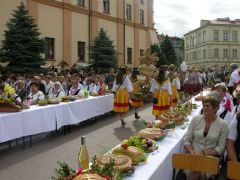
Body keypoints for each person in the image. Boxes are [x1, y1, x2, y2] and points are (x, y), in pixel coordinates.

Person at [183, 95, 228, 179]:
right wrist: (192, 151)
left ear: (215, 108)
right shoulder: (196, 120)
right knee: (195, 171)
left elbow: (221, 148)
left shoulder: (223, 124)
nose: (204, 108)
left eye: (207, 106)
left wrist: (203, 153)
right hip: (194, 156)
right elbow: (187, 140)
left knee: (200, 172)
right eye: (203, 105)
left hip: (211, 158)